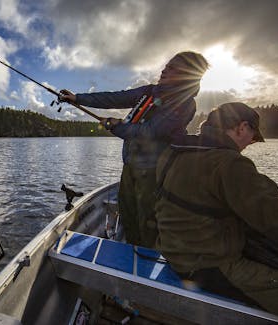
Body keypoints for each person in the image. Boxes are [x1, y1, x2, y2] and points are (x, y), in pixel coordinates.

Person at [154, 102, 278, 320]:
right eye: (253, 137)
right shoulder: (229, 163)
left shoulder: (175, 152)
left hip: (174, 251)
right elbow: (275, 216)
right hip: (208, 265)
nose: (251, 143)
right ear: (242, 127)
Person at [59, 51, 209, 248]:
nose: (165, 70)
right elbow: (115, 98)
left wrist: (115, 125)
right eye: (167, 65)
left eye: (173, 68)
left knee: (148, 223)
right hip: (130, 166)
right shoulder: (150, 91)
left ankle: (145, 265)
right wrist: (77, 98)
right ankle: (130, 257)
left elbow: (150, 132)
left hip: (154, 173)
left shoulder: (185, 104)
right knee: (128, 217)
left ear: (188, 74)